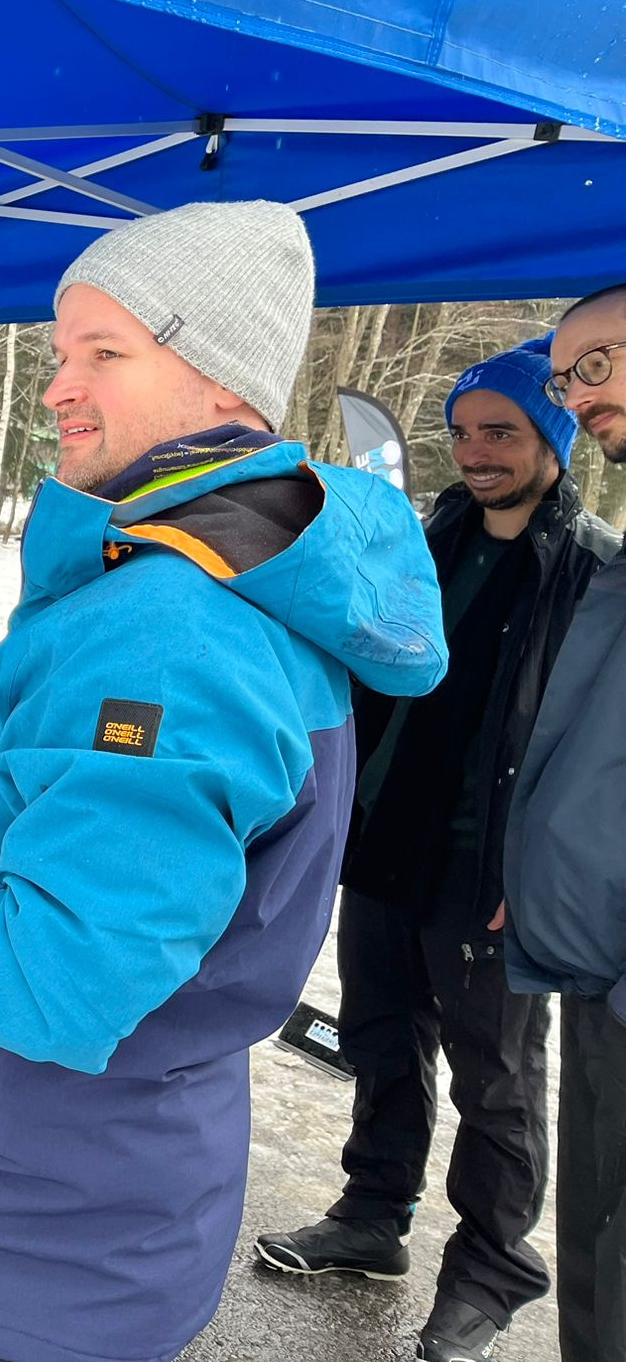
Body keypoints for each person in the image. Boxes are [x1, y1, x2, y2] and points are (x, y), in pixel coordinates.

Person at [0, 200, 448, 1362]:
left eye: (104, 354)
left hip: (13, 1231)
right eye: (59, 353)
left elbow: (59, 974)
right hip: (83, 1197)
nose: (56, 388)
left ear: (225, 385)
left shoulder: (167, 627)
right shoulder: (219, 585)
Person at [256, 340, 617, 1359]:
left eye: (499, 432)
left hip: (490, 870)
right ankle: (373, 1215)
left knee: (493, 1080)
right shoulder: (423, 541)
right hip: (388, 842)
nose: (474, 454)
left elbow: (592, 749)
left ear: (550, 441)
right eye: (460, 435)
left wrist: (537, 873)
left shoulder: (584, 570)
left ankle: (492, 1268)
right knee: (379, 1035)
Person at [504, 283, 626, 1362]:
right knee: (594, 1264)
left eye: (597, 363)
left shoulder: (581, 549)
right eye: (564, 373)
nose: (576, 394)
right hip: (594, 967)